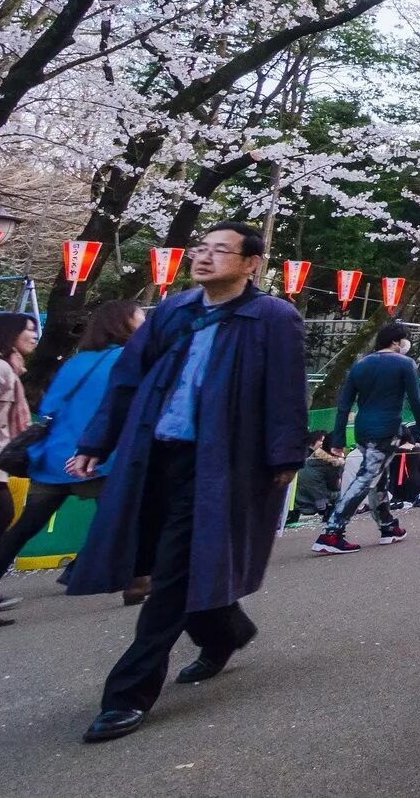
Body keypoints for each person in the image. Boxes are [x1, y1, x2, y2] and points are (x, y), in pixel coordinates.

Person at [62, 223, 307, 743]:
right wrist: (93, 444)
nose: (206, 257)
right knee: (161, 554)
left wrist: (284, 455)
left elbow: (286, 391)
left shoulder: (272, 318)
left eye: (222, 251)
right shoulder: (173, 311)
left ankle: (127, 695)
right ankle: (227, 631)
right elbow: (127, 381)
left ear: (250, 264)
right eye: (202, 248)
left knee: (171, 573)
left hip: (221, 462)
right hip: (151, 457)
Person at [0, 303, 144, 621]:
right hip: (99, 457)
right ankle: (136, 582)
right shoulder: (127, 360)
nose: (144, 324)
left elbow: (50, 404)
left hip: (53, 458)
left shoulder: (77, 362)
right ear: (124, 324)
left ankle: (87, 573)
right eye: (140, 318)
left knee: (22, 530)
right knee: (122, 521)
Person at [312, 320, 420, 555]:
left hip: (363, 429)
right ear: (396, 341)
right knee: (367, 477)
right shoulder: (405, 364)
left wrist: (338, 440)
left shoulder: (360, 365)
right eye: (404, 339)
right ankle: (331, 532)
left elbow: (343, 406)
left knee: (379, 476)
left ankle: (387, 526)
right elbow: (416, 399)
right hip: (386, 429)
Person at [0, 311, 39, 623]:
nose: (35, 335)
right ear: (10, 335)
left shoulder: (7, 369)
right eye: (28, 329)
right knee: (1, 516)